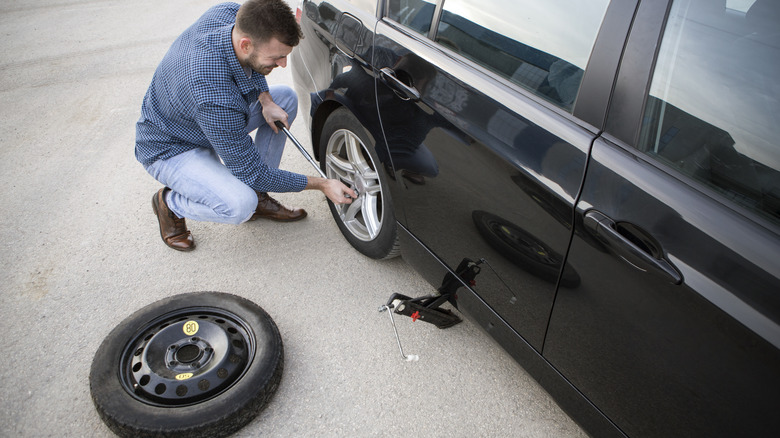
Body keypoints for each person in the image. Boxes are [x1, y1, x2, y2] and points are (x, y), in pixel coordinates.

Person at [135, 0, 356, 251]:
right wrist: (323, 184)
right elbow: (252, 172)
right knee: (240, 204)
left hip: (200, 119)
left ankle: (259, 197)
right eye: (277, 57)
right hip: (172, 147)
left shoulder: (230, 14)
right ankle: (170, 203)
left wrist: (266, 99)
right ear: (245, 44)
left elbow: (254, 63)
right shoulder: (213, 95)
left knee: (284, 98)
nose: (283, 64)